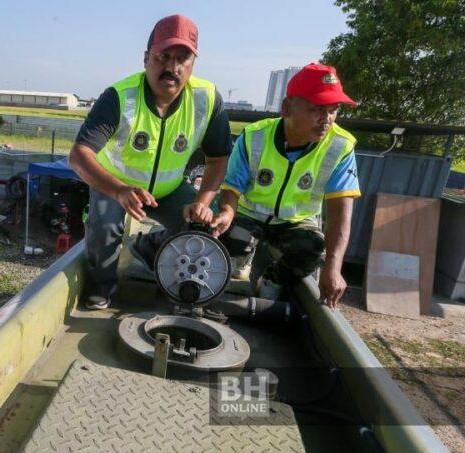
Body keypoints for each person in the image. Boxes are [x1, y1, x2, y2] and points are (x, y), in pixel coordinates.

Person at [69, 14, 233, 310]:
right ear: (147, 59)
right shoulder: (119, 96)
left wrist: (204, 201)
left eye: (183, 58)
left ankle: (150, 247)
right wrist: (119, 190)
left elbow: (218, 159)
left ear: (193, 64)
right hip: (114, 184)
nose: (172, 67)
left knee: (204, 226)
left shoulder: (207, 99)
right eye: (163, 56)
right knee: (105, 228)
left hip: (169, 190)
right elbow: (79, 155)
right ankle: (102, 285)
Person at [209, 63, 360, 308]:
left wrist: (334, 267)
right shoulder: (254, 137)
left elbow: (340, 212)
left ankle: (270, 281)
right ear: (287, 108)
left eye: (334, 110)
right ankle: (241, 260)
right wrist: (226, 213)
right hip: (250, 215)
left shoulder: (339, 147)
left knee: (311, 249)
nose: (327, 119)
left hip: (296, 222)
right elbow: (231, 187)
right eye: (317, 110)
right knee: (227, 237)